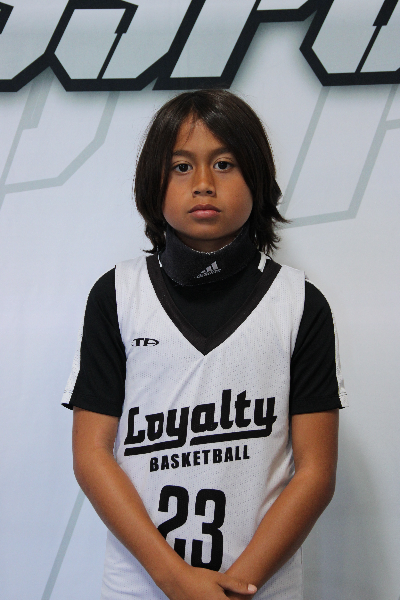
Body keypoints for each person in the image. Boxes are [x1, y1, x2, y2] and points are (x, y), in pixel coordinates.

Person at [63, 89, 348, 600]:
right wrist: (175, 580)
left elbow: (316, 473)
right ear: (152, 183)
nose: (202, 184)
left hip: (261, 586)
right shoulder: (117, 295)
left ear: (256, 178)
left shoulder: (299, 302)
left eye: (224, 164)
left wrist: (238, 587)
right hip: (143, 585)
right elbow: (91, 455)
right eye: (181, 166)